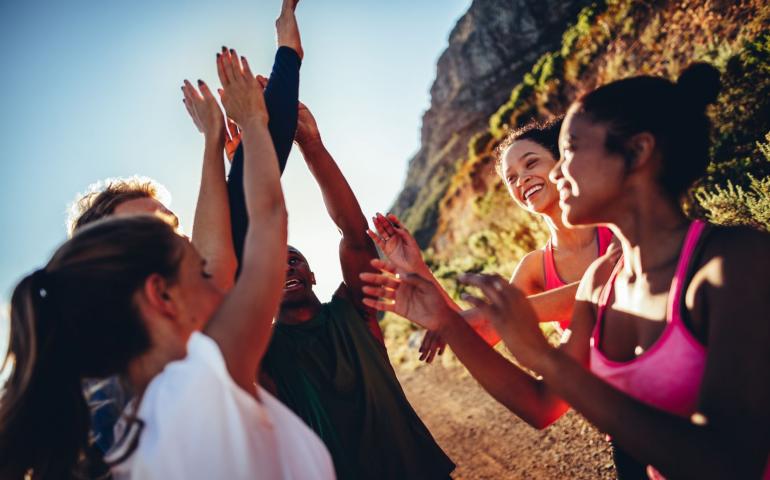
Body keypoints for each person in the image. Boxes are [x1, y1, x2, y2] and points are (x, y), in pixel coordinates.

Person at [362, 63, 770, 479]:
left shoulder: (734, 259)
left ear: (637, 153)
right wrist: (441, 313)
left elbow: (732, 462)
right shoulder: (600, 282)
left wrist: (538, 349)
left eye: (570, 149)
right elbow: (542, 405)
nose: (555, 171)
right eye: (511, 178)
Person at [0, 49, 335, 480]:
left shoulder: (132, 416)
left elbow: (219, 262)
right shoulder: (195, 388)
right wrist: (252, 121)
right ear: (157, 291)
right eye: (161, 234)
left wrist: (213, 141)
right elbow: (266, 222)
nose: (191, 244)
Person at [66, 0, 304, 456]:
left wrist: (286, 51)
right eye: (152, 232)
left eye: (173, 228)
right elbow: (264, 215)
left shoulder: (203, 306)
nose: (181, 241)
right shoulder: (104, 408)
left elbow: (259, 169)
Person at [227, 101, 453, 479]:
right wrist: (242, 177)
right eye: (273, 263)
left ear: (313, 274)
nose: (286, 265)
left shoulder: (355, 312)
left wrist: (311, 145)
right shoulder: (262, 353)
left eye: (294, 259)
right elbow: (227, 272)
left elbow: (353, 232)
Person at [369, 117, 614, 363]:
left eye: (531, 163)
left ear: (560, 163)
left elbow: (606, 287)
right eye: (511, 178)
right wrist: (417, 268)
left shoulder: (615, 225)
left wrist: (505, 313)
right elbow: (480, 337)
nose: (522, 179)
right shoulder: (534, 267)